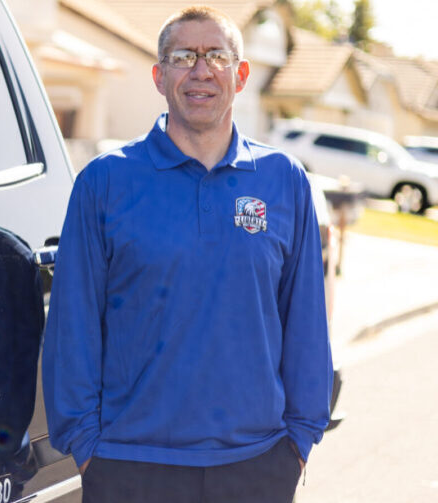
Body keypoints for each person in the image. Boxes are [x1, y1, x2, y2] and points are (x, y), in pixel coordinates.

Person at [42, 5, 333, 503]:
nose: (202, 71)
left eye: (217, 56)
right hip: (129, 465)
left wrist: (299, 440)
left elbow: (305, 318)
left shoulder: (285, 180)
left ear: (241, 76)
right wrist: (87, 448)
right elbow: (73, 325)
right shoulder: (105, 181)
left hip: (258, 465)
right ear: (159, 76)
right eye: (183, 56)